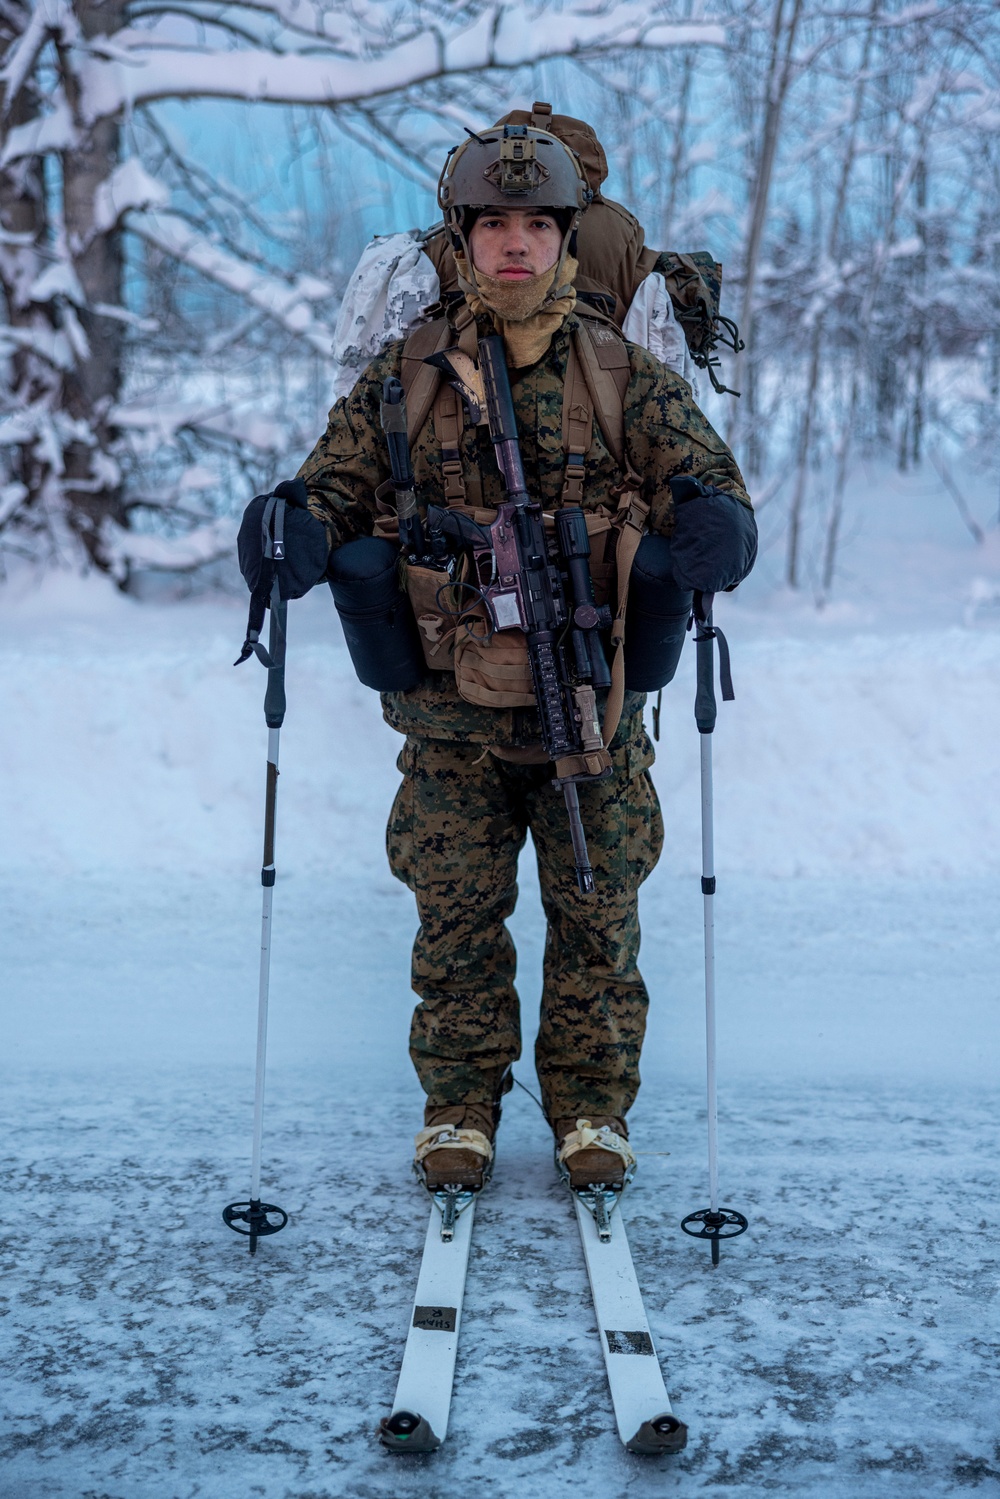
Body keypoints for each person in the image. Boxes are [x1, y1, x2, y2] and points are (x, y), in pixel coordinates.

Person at [294, 117, 756, 1197]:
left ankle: (591, 1106)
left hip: (588, 707)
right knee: (454, 915)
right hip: (447, 716)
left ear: (563, 236)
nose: (514, 243)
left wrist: (716, 527)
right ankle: (458, 1107)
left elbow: (714, 486)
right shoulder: (405, 375)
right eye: (492, 223)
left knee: (597, 912)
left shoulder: (623, 374)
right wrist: (293, 531)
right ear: (460, 240)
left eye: (535, 225)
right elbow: (330, 484)